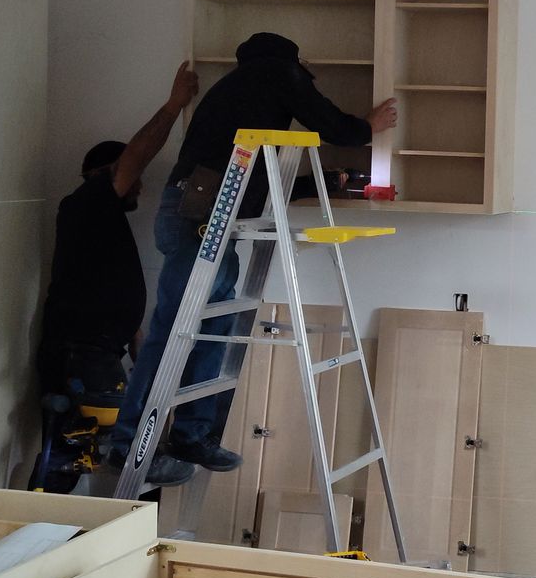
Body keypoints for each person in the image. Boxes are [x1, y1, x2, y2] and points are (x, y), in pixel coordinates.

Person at [105, 32, 398, 481]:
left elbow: (259, 183)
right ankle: (128, 448)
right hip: (198, 223)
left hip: (210, 220)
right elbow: (332, 126)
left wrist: (328, 181)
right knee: (170, 336)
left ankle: (191, 435)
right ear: (291, 61)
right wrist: (367, 127)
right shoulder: (274, 72)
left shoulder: (243, 94)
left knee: (214, 329)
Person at [32, 62, 201, 490]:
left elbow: (114, 297)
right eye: (134, 179)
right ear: (108, 174)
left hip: (94, 352)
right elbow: (137, 155)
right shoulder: (89, 200)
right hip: (82, 355)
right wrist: (173, 105)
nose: (141, 188)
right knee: (101, 444)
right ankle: (127, 461)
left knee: (73, 457)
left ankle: (55, 524)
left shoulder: (99, 221)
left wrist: (145, 356)